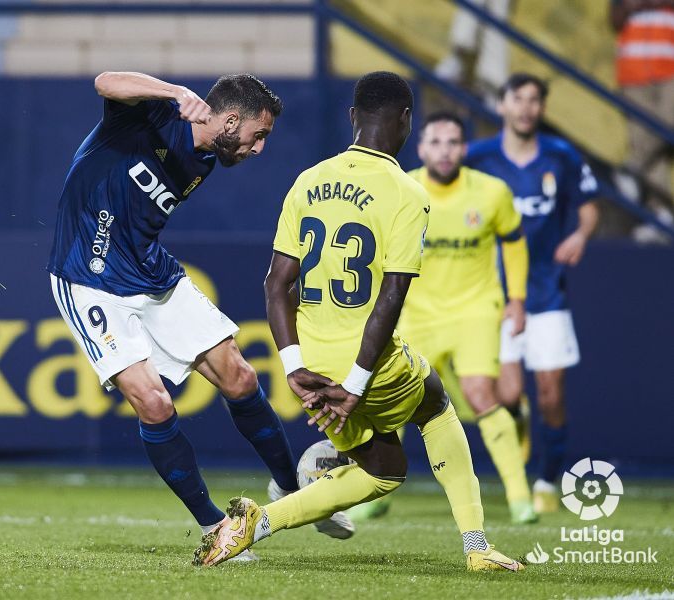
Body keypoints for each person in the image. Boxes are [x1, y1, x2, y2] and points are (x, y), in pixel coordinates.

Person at [193, 72, 523, 572]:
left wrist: (293, 366)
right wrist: (356, 382)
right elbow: (390, 297)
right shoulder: (407, 194)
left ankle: (253, 524)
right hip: (363, 360)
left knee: (384, 470)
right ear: (407, 121)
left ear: (353, 118)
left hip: (313, 361)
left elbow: (275, 285)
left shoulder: (308, 180)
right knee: (434, 406)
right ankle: (477, 547)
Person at [46, 71, 352, 552]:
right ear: (230, 120)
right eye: (258, 135)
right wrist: (173, 91)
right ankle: (216, 526)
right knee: (155, 403)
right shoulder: (153, 114)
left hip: (151, 271)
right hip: (89, 277)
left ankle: (291, 490)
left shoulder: (206, 158)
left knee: (242, 378)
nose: (258, 149)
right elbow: (105, 81)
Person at [354, 111, 535, 524]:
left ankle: (520, 497)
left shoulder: (491, 192)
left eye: (453, 142)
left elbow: (515, 242)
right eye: (435, 142)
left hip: (474, 310)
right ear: (421, 148)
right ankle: (377, 490)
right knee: (391, 400)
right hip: (417, 314)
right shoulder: (403, 187)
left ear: (464, 149)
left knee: (479, 393)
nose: (444, 150)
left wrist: (517, 300)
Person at [467, 73, 599, 513]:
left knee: (551, 392)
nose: (525, 107)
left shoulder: (560, 156)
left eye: (534, 100)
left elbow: (588, 207)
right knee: (505, 396)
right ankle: (517, 421)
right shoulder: (478, 157)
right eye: (517, 99)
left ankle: (546, 480)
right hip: (494, 296)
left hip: (546, 293)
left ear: (541, 109)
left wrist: (580, 235)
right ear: (502, 105)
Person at [610, 0, 674, 242]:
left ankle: (631, 168)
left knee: (666, 126)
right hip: (633, 70)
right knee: (644, 140)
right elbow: (615, 19)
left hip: (671, 68)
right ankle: (661, 215)